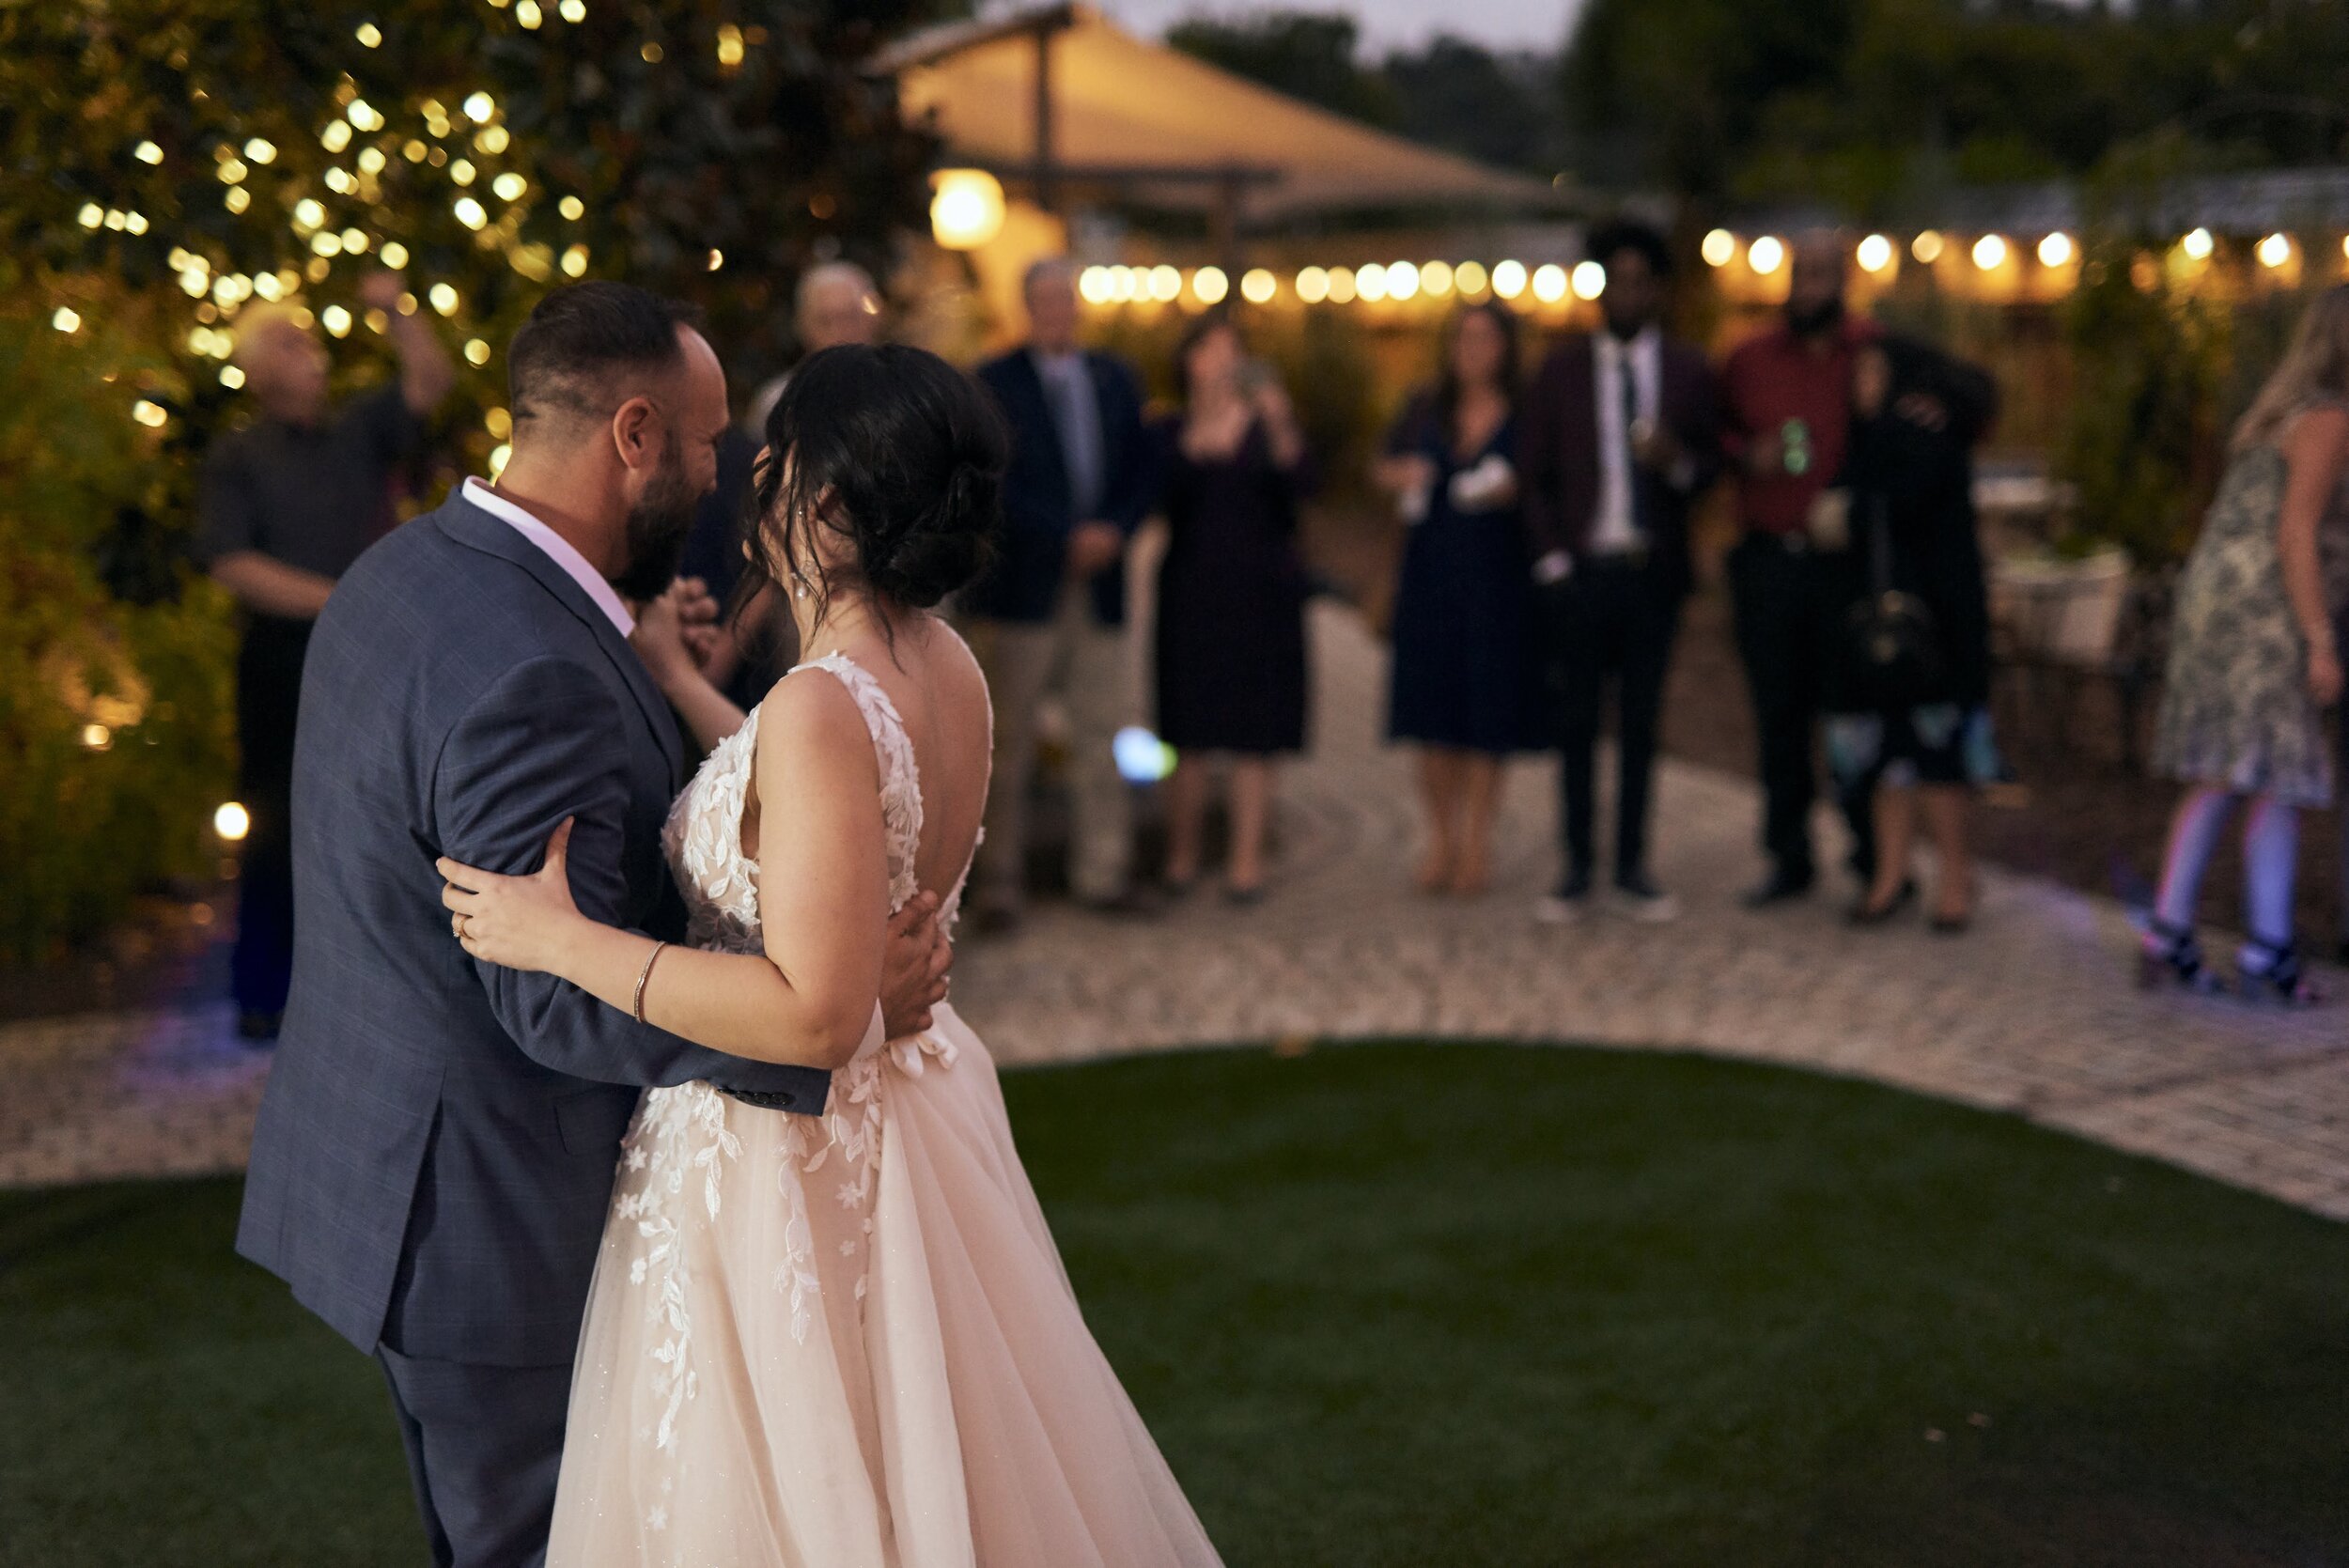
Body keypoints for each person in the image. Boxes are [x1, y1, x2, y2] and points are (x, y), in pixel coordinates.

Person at [436, 343, 1227, 1567]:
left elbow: (812, 1010)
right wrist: (681, 685)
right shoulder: (945, 668)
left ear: (823, 501)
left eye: (776, 449)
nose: (749, 470)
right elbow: (830, 811)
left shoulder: (819, 706)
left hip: (788, 1151)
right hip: (917, 1111)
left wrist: (564, 938)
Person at [236, 282, 956, 1568]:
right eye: (705, 439)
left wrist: (667, 681)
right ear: (632, 435)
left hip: (382, 1169)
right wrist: (829, 1012)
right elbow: (549, 993)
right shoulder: (538, 666)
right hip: (498, 1220)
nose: (725, 470)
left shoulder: (410, 567)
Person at [194, 275, 454, 1040]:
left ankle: (379, 985)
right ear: (251, 369)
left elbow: (430, 381)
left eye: (305, 333)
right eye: (283, 338)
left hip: (371, 653)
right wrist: (336, 599)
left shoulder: (359, 429)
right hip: (281, 661)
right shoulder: (239, 455)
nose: (304, 344)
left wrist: (397, 309)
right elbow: (229, 560)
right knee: (275, 825)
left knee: (386, 812)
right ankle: (265, 997)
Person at [2141, 285, 2349, 1004]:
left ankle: (2232, 943)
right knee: (2248, 771)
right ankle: (2208, 941)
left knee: (2247, 773)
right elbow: (2296, 532)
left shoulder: (2274, 415)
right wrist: (2321, 639)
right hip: (2264, 610)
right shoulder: (2328, 418)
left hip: (2219, 598)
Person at [1519, 222, 1722, 924]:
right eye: (1617, 279)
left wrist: (1678, 463)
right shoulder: (1562, 369)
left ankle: (1632, 862)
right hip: (1581, 572)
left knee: (1641, 722)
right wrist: (1551, 562)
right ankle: (1578, 863)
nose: (1629, 292)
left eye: (1642, 280)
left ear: (1658, 291)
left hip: (1651, 574)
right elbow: (1533, 474)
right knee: (1576, 721)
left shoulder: (1689, 369)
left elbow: (1710, 468)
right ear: (1599, 287)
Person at [966, 257, 1159, 927]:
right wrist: (1063, 538)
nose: (1057, 310)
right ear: (1026, 306)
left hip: (1100, 587)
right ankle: (999, 884)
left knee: (1102, 730)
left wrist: (1115, 531)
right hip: (1026, 588)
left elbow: (1142, 466)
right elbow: (992, 481)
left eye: (1065, 299)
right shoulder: (995, 382)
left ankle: (1103, 872)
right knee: (1009, 741)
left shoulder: (1114, 378)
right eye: (1043, 299)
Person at [1823, 336, 1999, 932]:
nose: (1863, 385)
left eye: (1875, 372)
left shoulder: (1921, 434)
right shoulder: (1871, 439)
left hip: (1933, 629)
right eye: (1860, 372)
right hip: (1876, 629)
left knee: (1938, 758)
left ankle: (1955, 877)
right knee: (1888, 759)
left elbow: (1893, 508)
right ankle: (1891, 874)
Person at [1373, 301, 1537, 896]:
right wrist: (1404, 477)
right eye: (1464, 338)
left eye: (1485, 339)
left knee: (1486, 714)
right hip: (1430, 577)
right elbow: (1380, 467)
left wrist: (1513, 489)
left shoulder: (1523, 414)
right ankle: (1441, 836)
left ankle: (1477, 839)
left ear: (1505, 348)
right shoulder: (1424, 408)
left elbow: (1545, 481)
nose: (1472, 350)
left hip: (1496, 581)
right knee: (1431, 712)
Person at [1155, 313, 1314, 903]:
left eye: (1232, 350)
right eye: (1210, 349)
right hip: (1192, 596)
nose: (1222, 361)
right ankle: (1182, 858)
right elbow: (1159, 499)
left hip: (1262, 597)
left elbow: (1302, 490)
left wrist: (1280, 423)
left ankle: (1248, 862)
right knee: (1186, 729)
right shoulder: (1170, 430)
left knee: (1255, 730)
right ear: (1189, 361)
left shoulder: (1266, 426)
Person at [684, 262, 885, 713]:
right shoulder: (779, 403)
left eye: (852, 315)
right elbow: (768, 517)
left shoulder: (907, 397)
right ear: (804, 328)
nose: (841, 331)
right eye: (826, 320)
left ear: (873, 317)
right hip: (805, 600)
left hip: (900, 589)